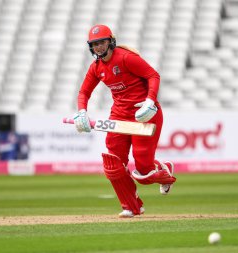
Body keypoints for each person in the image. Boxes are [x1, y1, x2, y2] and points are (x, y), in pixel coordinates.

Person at [73, 24, 176, 218]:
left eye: (102, 42)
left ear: (111, 41)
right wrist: (81, 112)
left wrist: (149, 102)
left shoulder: (126, 58)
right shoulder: (96, 67)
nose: (99, 47)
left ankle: (164, 172)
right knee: (113, 163)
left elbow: (153, 75)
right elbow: (84, 92)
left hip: (144, 114)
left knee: (143, 173)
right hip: (119, 116)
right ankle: (131, 206)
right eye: (95, 44)